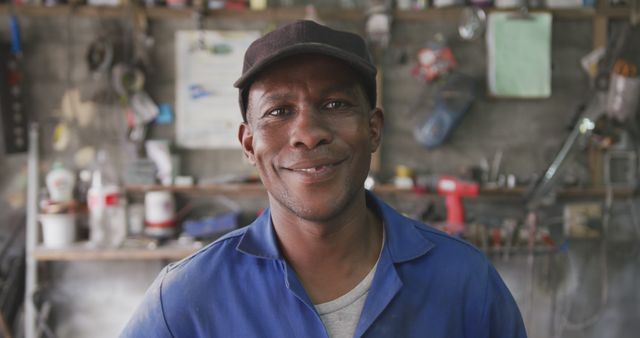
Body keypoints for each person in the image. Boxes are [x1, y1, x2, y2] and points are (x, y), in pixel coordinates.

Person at [121, 20, 527, 338]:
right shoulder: (188, 298)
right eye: (278, 111)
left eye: (334, 104)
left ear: (373, 130)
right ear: (248, 143)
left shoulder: (466, 284)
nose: (307, 132)